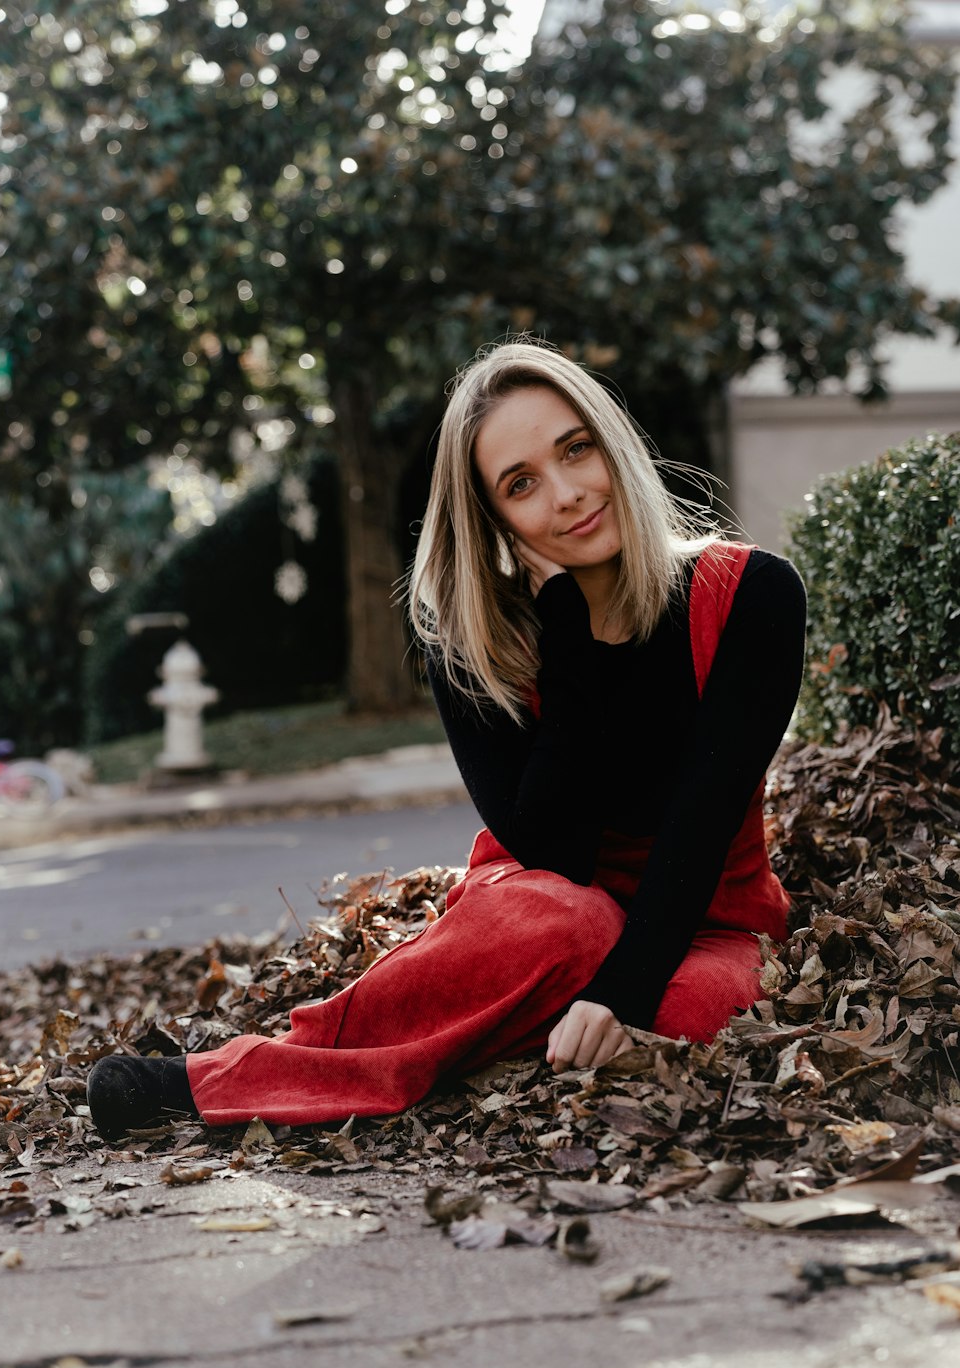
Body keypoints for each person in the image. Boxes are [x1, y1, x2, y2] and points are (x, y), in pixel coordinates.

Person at [86, 339, 806, 1143]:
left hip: (708, 917)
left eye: (577, 449)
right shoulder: (473, 643)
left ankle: (490, 1033)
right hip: (542, 908)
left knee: (681, 1015)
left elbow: (701, 827)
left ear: (613, 440)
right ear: (492, 516)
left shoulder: (753, 597)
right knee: (571, 925)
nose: (568, 494)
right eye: (521, 484)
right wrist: (568, 628)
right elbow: (556, 853)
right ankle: (228, 1078)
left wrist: (624, 994)